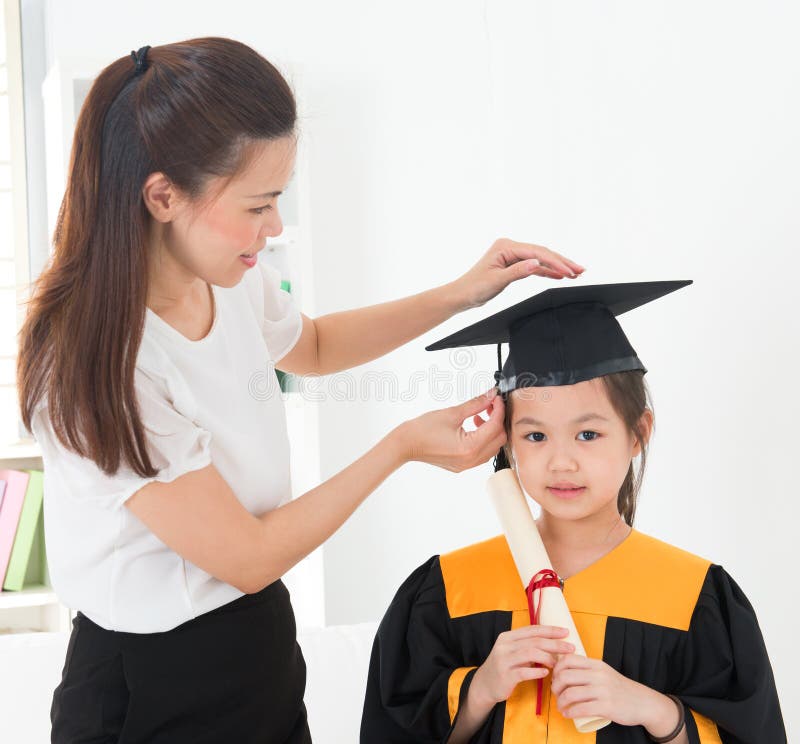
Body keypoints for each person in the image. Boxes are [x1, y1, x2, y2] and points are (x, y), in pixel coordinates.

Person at [15, 37, 585, 743]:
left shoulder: (226, 275)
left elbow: (310, 345)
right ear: (163, 196)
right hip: (149, 687)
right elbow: (248, 557)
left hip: (257, 647)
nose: (274, 227)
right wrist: (401, 446)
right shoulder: (102, 364)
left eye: (278, 200)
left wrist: (459, 295)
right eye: (258, 204)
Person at [360, 280, 786, 743]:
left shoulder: (694, 596)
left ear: (638, 431)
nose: (561, 462)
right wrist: (479, 689)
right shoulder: (449, 588)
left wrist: (654, 709)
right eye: (536, 436)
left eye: (588, 435)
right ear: (506, 440)